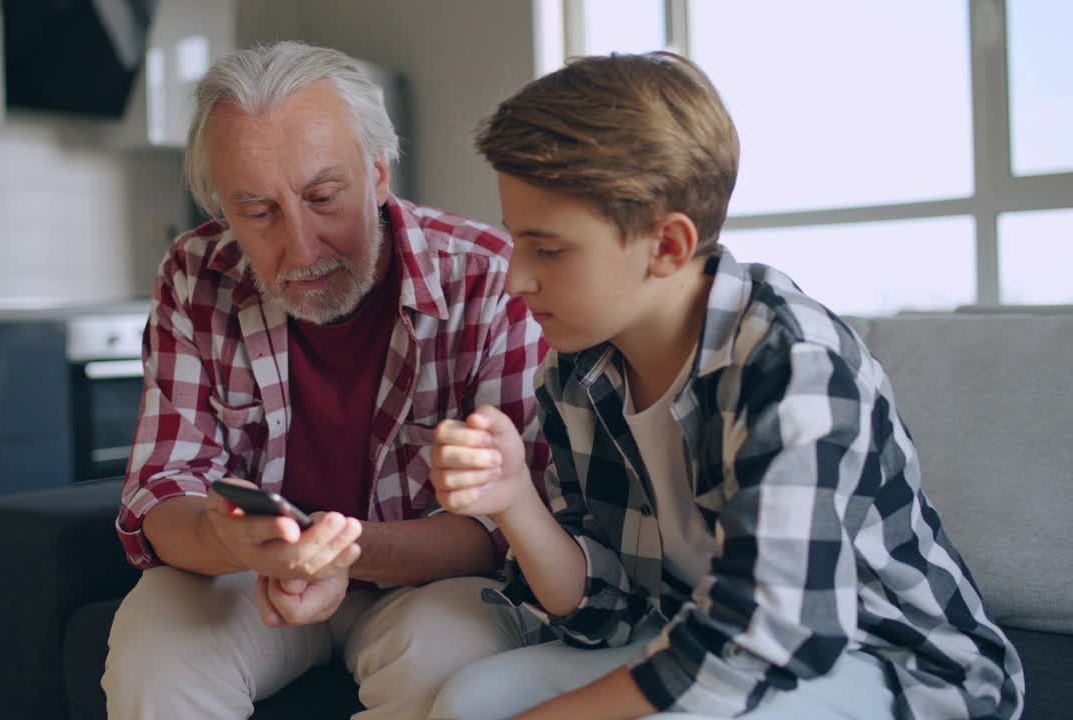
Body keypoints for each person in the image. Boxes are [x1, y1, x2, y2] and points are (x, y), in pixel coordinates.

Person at [427, 51, 1023, 719]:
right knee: (470, 700)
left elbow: (768, 639)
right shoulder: (574, 374)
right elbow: (608, 614)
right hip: (690, 641)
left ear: (669, 247)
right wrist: (513, 501)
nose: (516, 278)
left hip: (881, 662)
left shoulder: (793, 363)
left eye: (550, 249)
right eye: (515, 241)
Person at [102, 41, 549, 720]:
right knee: (153, 644)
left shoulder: (487, 279)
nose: (302, 247)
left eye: (322, 197)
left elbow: (502, 528)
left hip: (428, 582)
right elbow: (164, 489)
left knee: (452, 655)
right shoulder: (196, 274)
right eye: (257, 212)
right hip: (252, 575)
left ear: (376, 174)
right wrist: (234, 541)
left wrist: (342, 553)